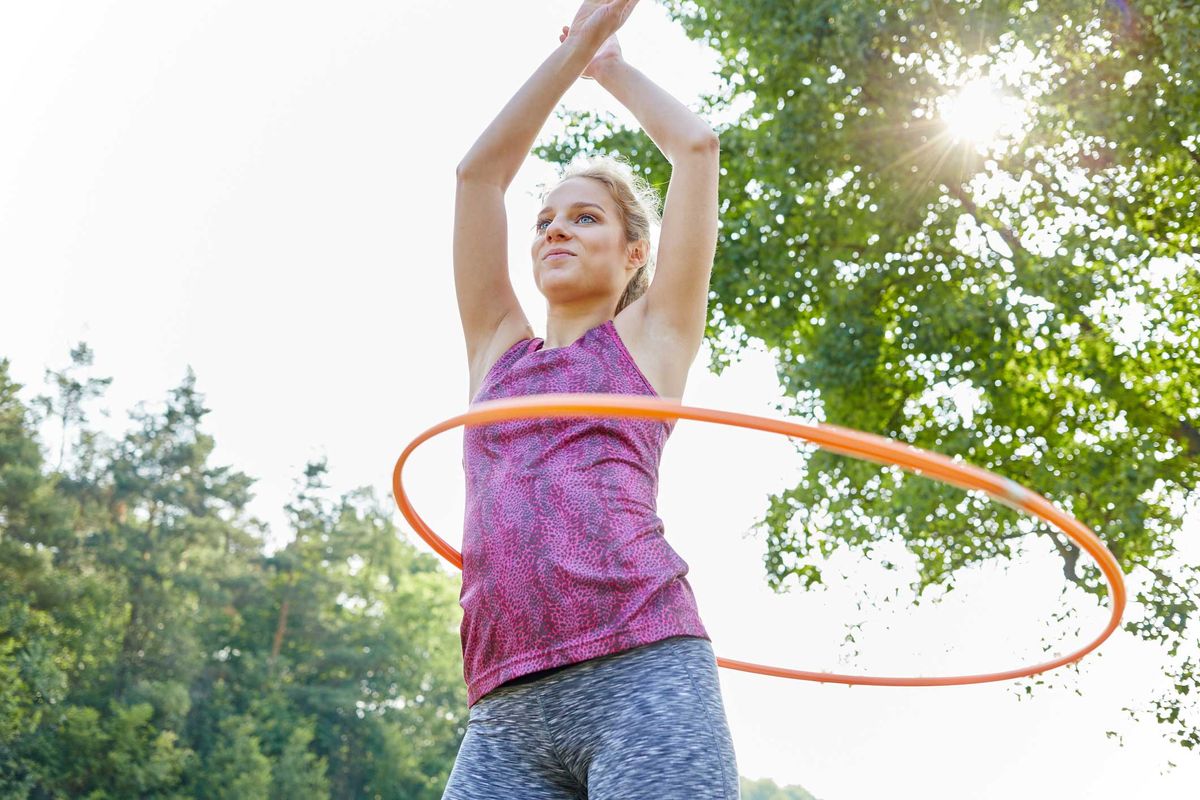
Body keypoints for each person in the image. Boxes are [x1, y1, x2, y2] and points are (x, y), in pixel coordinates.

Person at [445, 1, 735, 797]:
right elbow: (478, 177)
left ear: (635, 250)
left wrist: (607, 65)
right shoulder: (496, 351)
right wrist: (569, 55)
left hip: (642, 673)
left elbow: (697, 149)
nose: (554, 232)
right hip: (505, 707)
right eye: (544, 221)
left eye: (584, 217)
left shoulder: (651, 341)